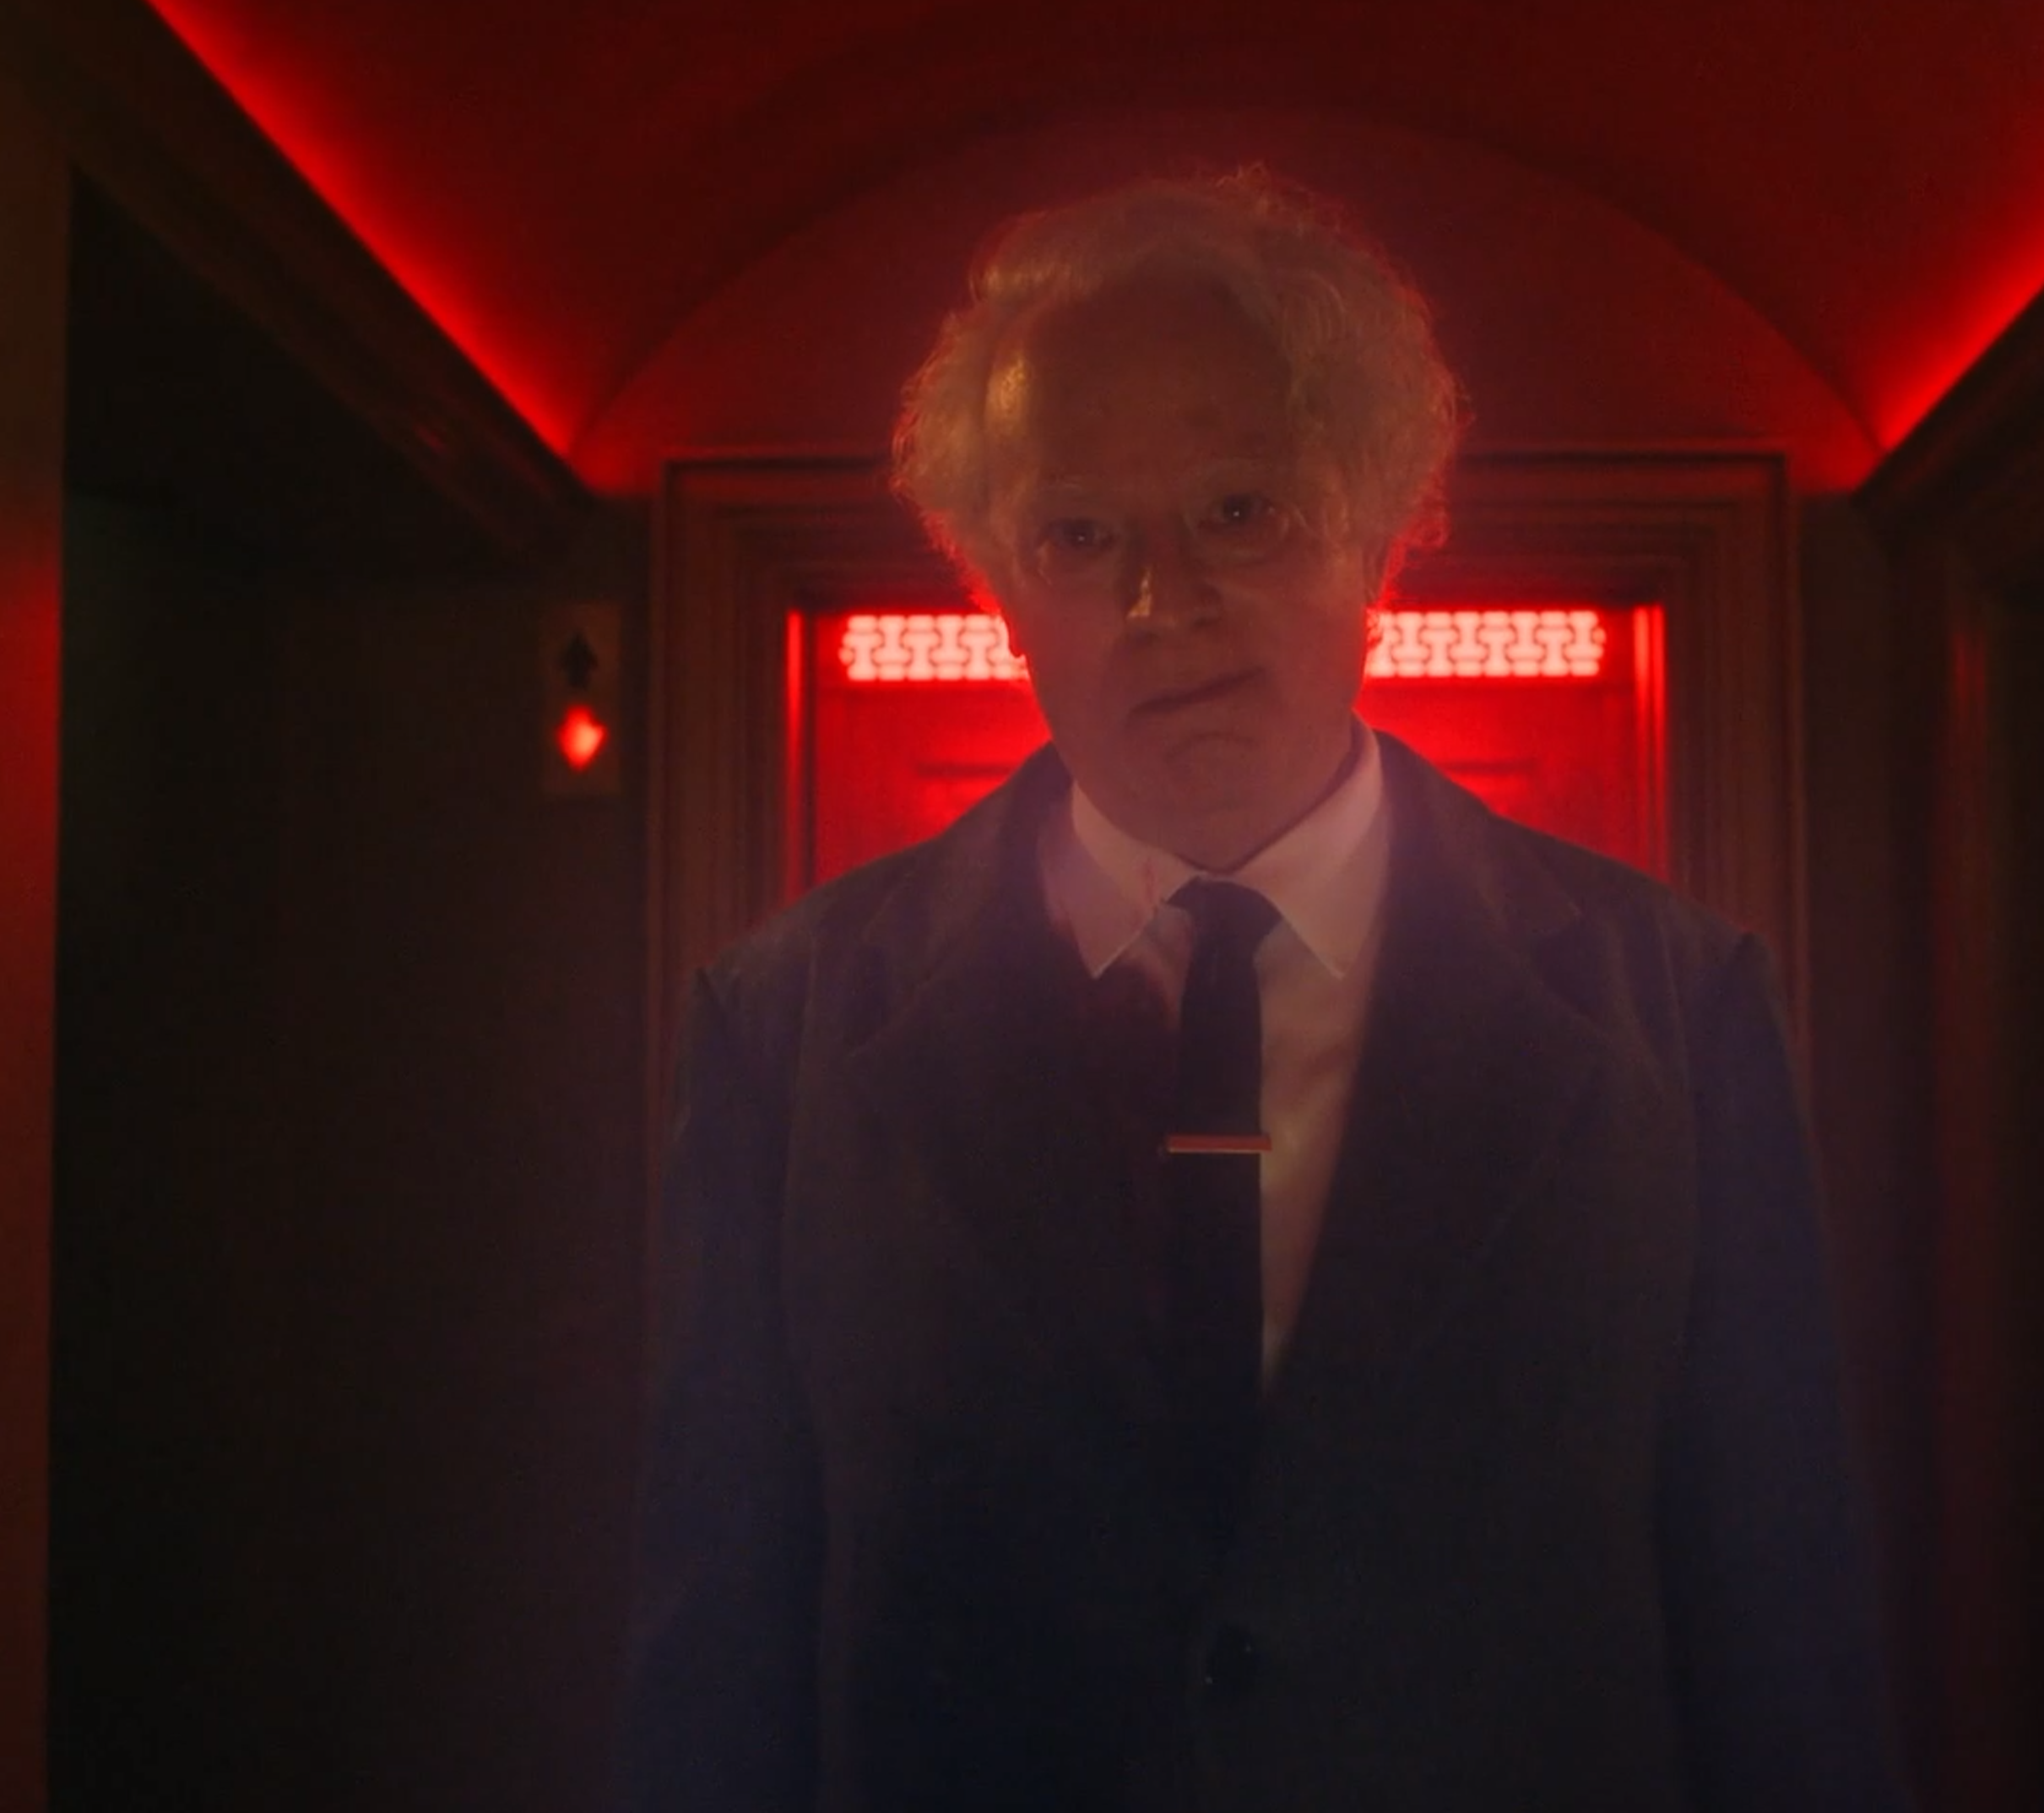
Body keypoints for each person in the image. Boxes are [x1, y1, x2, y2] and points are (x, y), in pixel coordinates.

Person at [621, 170, 1906, 1813]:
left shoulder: (1682, 1010)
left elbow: (1781, 1642)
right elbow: (718, 1661)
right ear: (997, 584)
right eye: (1080, 534)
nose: (1163, 601)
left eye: (1239, 508)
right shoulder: (778, 1033)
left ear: (1376, 523)